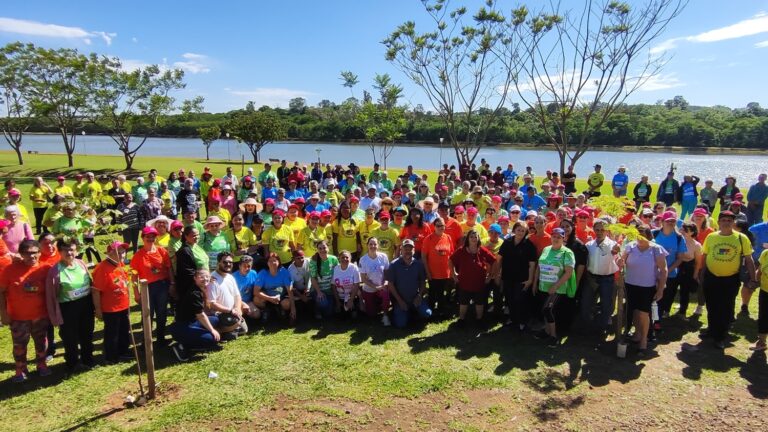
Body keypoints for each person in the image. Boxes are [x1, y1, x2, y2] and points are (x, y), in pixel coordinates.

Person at [701, 211, 757, 349]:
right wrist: (701, 273)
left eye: (729, 220)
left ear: (733, 223)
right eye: (724, 220)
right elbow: (705, 256)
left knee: (726, 307)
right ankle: (712, 329)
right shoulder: (711, 236)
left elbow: (749, 260)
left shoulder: (741, 238)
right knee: (711, 304)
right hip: (711, 277)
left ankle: (720, 336)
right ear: (719, 222)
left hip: (730, 279)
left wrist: (753, 279)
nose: (726, 222)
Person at [0, 240, 51, 382]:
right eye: (28, 253)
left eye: (35, 253)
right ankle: (20, 369)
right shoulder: (9, 270)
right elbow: (1, 292)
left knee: (41, 342)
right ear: (21, 254)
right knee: (19, 345)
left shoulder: (45, 269)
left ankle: (41, 364)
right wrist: (3, 313)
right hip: (18, 317)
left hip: (40, 316)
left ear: (40, 253)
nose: (32, 256)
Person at [45, 239, 95, 374]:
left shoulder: (81, 263)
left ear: (76, 250)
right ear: (59, 252)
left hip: (86, 304)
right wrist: (54, 317)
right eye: (65, 250)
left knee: (87, 333)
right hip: (67, 308)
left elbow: (90, 283)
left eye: (72, 249)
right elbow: (51, 296)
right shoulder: (55, 271)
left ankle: (88, 359)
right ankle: (72, 363)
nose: (69, 253)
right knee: (70, 336)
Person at [620, 225, 668, 355]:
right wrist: (619, 259)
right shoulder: (630, 246)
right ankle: (637, 334)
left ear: (648, 236)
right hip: (630, 285)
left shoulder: (656, 249)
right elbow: (621, 261)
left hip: (647, 287)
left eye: (643, 235)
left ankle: (644, 340)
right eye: (638, 235)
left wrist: (660, 290)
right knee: (634, 311)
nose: (640, 238)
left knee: (643, 313)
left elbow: (663, 270)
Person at [533, 228, 576, 347]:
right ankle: (546, 331)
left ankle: (554, 336)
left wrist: (556, 286)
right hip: (543, 286)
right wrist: (535, 282)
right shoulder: (546, 249)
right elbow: (539, 266)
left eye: (559, 237)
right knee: (544, 310)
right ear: (551, 237)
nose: (556, 239)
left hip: (557, 288)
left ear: (564, 238)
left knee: (548, 310)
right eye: (554, 236)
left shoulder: (567, 252)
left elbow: (568, 272)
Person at [92, 241, 133, 364]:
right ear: (109, 253)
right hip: (111, 307)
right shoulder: (102, 268)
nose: (122, 255)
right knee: (112, 332)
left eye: (123, 252)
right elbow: (96, 291)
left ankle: (123, 351)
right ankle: (111, 356)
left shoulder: (120, 265)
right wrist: (98, 309)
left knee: (124, 329)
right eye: (118, 252)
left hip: (123, 305)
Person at [130, 226, 174, 342]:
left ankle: (160, 337)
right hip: (147, 288)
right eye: (147, 236)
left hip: (162, 286)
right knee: (147, 314)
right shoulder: (137, 256)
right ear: (142, 238)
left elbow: (169, 268)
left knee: (162, 312)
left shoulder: (161, 251)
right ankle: (147, 340)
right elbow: (134, 277)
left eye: (153, 236)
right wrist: (136, 293)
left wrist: (172, 284)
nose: (150, 239)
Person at [169, 269, 222, 362]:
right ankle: (181, 346)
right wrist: (212, 330)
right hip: (182, 326)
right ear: (195, 278)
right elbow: (201, 315)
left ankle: (194, 339)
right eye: (201, 277)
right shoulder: (194, 293)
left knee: (215, 319)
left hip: (192, 322)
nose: (205, 279)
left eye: (207, 276)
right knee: (211, 339)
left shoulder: (199, 288)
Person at [450, 229, 497, 328]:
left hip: (479, 283)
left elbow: (494, 261)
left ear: (478, 238)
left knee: (479, 303)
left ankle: (479, 320)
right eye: (471, 236)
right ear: (467, 238)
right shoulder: (461, 250)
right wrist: (453, 274)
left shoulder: (482, 250)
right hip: (464, 283)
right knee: (463, 302)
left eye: (475, 236)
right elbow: (450, 260)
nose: (473, 238)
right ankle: (461, 320)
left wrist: (490, 276)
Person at [583, 220, 621, 332]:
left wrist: (617, 255)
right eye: (597, 230)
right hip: (591, 278)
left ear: (607, 231)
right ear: (594, 230)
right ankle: (588, 327)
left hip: (607, 279)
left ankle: (602, 328)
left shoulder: (613, 245)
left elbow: (618, 259)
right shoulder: (589, 245)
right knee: (586, 302)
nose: (599, 232)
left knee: (606, 305)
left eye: (602, 230)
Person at [387, 239, 432, 328]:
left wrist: (419, 296)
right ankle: (406, 312)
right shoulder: (393, 265)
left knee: (428, 314)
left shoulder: (418, 264)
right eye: (405, 249)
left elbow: (422, 281)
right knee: (401, 324)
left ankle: (412, 311)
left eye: (410, 249)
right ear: (401, 250)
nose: (408, 251)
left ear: (414, 250)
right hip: (401, 300)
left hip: (415, 298)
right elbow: (390, 285)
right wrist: (400, 301)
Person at [654, 211, 690, 320]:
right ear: (662, 221)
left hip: (670, 274)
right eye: (668, 221)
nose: (670, 223)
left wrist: (667, 271)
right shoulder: (654, 233)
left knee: (664, 298)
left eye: (673, 221)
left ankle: (658, 321)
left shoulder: (679, 238)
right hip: (652, 273)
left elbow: (680, 258)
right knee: (652, 297)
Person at [207, 252, 248, 336]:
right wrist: (230, 311)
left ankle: (229, 331)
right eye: (225, 262)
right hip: (220, 314)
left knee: (244, 330)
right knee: (236, 327)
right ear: (218, 263)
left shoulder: (230, 277)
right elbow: (212, 304)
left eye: (230, 262)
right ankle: (216, 332)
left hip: (232, 312)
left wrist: (237, 309)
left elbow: (237, 296)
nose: (228, 264)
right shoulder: (212, 280)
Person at [421, 217, 455, 316]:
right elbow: (423, 256)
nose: (441, 227)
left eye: (443, 225)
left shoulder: (448, 237)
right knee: (433, 294)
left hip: (445, 272)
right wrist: (427, 272)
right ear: (434, 227)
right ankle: (430, 313)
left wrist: (452, 271)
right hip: (433, 273)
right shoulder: (429, 238)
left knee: (442, 294)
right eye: (438, 226)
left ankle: (441, 312)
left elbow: (451, 254)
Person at [254, 252, 296, 324]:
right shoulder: (262, 273)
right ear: (267, 263)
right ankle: (266, 309)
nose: (272, 263)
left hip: (281, 296)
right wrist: (270, 298)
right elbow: (256, 291)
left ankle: (281, 309)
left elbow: (289, 291)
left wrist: (293, 309)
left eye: (274, 260)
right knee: (256, 300)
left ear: (279, 262)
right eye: (270, 261)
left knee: (287, 304)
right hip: (267, 297)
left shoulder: (284, 271)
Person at [359, 238, 391, 325]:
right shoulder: (363, 260)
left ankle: (385, 316)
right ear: (367, 246)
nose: (373, 246)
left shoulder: (383, 256)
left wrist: (385, 283)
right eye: (370, 244)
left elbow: (387, 274)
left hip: (382, 286)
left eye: (375, 244)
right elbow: (363, 279)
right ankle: (377, 306)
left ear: (378, 246)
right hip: (369, 288)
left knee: (385, 293)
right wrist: (375, 287)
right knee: (371, 314)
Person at [175, 226, 209, 296]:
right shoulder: (184, 251)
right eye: (193, 235)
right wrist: (202, 280)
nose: (196, 237)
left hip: (204, 282)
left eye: (198, 235)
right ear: (186, 236)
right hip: (194, 287)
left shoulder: (196, 246)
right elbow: (188, 271)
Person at [309, 240, 340, 319]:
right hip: (318, 290)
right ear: (317, 250)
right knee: (324, 304)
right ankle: (317, 309)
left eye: (324, 248)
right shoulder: (313, 261)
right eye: (320, 248)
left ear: (328, 248)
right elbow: (313, 278)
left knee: (329, 314)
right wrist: (319, 292)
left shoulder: (334, 259)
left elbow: (338, 273)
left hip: (330, 290)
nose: (322, 250)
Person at [332, 250, 361, 318]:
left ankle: (354, 307)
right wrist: (337, 302)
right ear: (339, 258)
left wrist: (351, 300)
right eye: (342, 257)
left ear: (350, 259)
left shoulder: (354, 268)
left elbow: (357, 284)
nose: (345, 259)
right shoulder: (336, 269)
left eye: (347, 257)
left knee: (354, 317)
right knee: (340, 316)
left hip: (351, 296)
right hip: (339, 297)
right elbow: (333, 286)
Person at [753, 246, 768, 351]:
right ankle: (761, 342)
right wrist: (755, 279)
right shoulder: (765, 253)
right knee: (763, 316)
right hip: (765, 290)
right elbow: (760, 269)